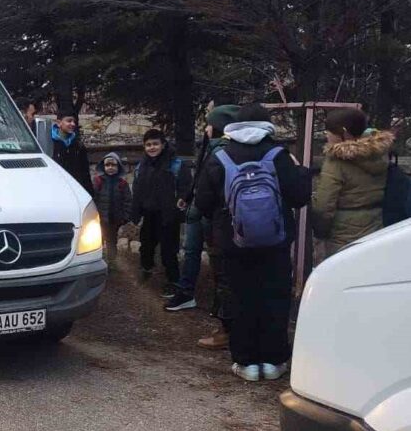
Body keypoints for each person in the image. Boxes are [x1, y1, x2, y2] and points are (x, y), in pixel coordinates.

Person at [196, 103, 310, 382]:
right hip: (276, 243)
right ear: (267, 124)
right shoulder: (279, 155)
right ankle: (273, 362)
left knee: (240, 299)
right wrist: (303, 172)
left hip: (234, 244)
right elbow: (299, 198)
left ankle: (246, 363)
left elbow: (203, 203)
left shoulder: (220, 156)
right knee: (274, 298)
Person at [168, 104, 240, 316]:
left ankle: (220, 301)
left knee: (216, 257)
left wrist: (201, 204)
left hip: (209, 212)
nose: (206, 128)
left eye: (210, 124)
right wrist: (188, 197)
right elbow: (200, 175)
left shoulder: (224, 151)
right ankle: (186, 292)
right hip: (197, 208)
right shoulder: (208, 147)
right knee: (191, 252)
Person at [312, 108, 394, 256]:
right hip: (376, 224)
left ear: (343, 132)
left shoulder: (336, 162)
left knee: (342, 274)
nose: (327, 135)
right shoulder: (379, 154)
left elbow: (324, 205)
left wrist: (320, 232)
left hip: (343, 233)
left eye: (328, 131)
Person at [130, 129, 191, 297]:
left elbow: (186, 188)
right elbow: (137, 190)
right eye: (148, 145)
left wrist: (181, 200)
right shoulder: (142, 166)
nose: (152, 148)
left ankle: (173, 281)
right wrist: (135, 212)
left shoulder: (176, 164)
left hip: (168, 215)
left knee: (169, 251)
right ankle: (146, 270)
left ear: (163, 145)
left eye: (155, 144)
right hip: (149, 214)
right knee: (146, 247)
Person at [92, 152, 131, 264]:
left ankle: (111, 262)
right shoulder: (98, 181)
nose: (110, 168)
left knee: (111, 241)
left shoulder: (122, 184)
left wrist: (125, 217)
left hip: (115, 219)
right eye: (107, 165)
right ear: (103, 167)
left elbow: (128, 201)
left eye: (113, 165)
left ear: (118, 167)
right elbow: (93, 198)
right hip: (99, 219)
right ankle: (97, 261)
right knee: (97, 240)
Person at [50, 108, 93, 194]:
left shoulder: (78, 145)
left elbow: (85, 173)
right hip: (54, 190)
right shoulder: (48, 143)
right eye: (69, 121)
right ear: (59, 123)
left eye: (74, 121)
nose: (73, 124)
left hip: (75, 191)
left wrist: (90, 193)